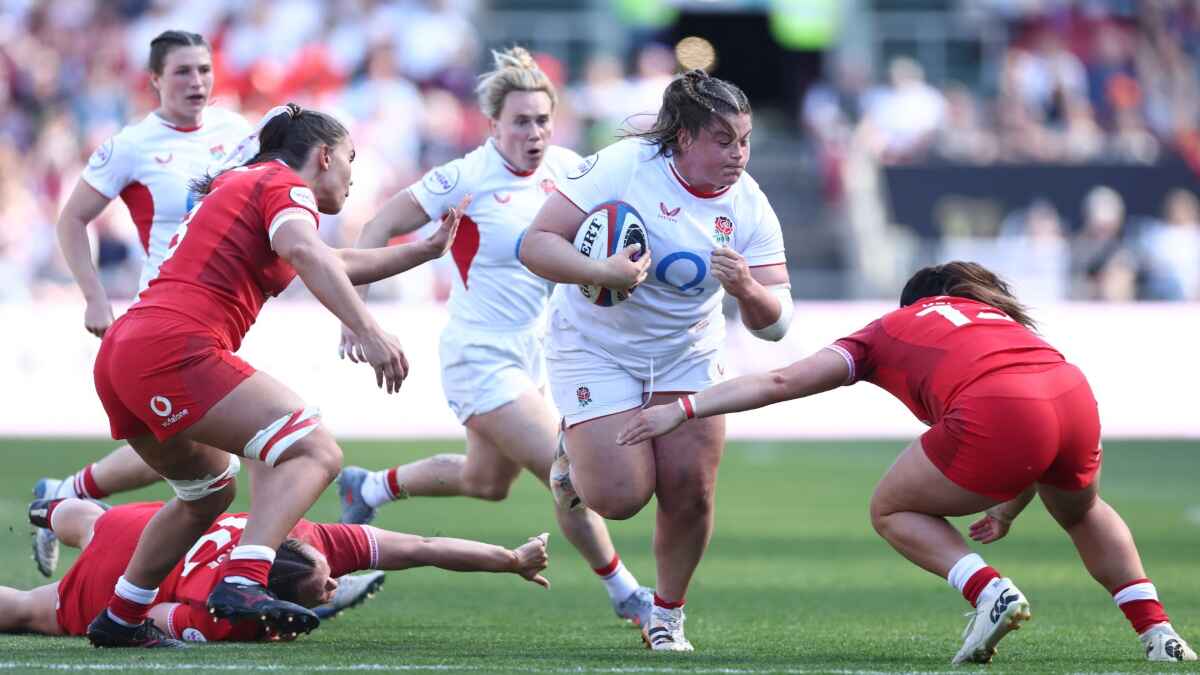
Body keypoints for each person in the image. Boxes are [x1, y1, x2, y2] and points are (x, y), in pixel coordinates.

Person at [617, 261, 1197, 664]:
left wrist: (685, 409)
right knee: (1083, 510)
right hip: (1071, 393)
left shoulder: (887, 329)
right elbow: (1039, 429)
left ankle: (988, 591)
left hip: (996, 407)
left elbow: (780, 379)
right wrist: (1009, 511)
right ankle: (1160, 634)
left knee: (891, 508)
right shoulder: (997, 320)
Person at [85, 102, 466, 648]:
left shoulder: (248, 184)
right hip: (174, 346)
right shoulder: (285, 185)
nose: (353, 176)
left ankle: (122, 616)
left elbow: (327, 259)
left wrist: (423, 251)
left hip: (128, 349)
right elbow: (304, 250)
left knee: (208, 494)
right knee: (315, 451)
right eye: (351, 160)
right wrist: (367, 328)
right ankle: (243, 579)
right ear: (325, 155)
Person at [335, 47, 652, 627]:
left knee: (486, 483)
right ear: (493, 126)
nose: (534, 133)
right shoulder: (464, 177)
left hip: (537, 357)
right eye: (521, 122)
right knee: (569, 470)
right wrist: (353, 314)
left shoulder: (568, 169)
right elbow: (380, 225)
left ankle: (371, 486)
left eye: (542, 120)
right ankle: (629, 594)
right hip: (479, 354)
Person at [518, 69, 793, 651]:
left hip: (685, 354)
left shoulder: (750, 206)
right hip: (594, 347)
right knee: (619, 499)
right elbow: (535, 244)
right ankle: (572, 458)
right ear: (685, 139)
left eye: (744, 139)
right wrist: (600, 272)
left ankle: (667, 616)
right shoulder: (625, 166)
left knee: (692, 490)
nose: (738, 154)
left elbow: (778, 324)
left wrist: (747, 290)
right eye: (723, 140)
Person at [38, 29, 252, 575]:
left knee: (183, 446)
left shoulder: (236, 130)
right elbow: (71, 218)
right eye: (182, 71)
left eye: (204, 69)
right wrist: (93, 298)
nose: (197, 82)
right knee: (225, 452)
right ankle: (242, 568)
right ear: (154, 80)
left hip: (224, 310)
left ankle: (66, 497)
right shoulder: (132, 144)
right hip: (170, 315)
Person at [3, 498, 549, 642]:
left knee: (97, 523)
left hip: (141, 528)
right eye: (323, 589)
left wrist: (509, 560)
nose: (335, 583)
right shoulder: (229, 616)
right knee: (29, 610)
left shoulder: (309, 539)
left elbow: (423, 548)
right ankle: (53, 516)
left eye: (327, 578)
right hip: (133, 578)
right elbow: (159, 614)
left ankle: (49, 509)